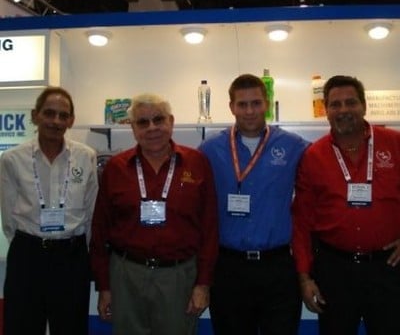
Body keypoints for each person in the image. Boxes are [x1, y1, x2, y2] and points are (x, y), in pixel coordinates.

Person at [89, 93, 218, 335]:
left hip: (179, 276)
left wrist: (203, 283)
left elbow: (210, 228)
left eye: (158, 119)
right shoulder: (116, 168)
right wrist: (104, 287)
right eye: (142, 122)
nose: (152, 128)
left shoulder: (197, 162)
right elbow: (100, 230)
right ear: (133, 128)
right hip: (126, 275)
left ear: (171, 121)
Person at [198, 73, 309, 335]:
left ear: (267, 104)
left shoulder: (294, 146)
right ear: (231, 107)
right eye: (242, 104)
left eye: (256, 103)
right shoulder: (209, 149)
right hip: (229, 268)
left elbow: (328, 182)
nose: (249, 111)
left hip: (278, 267)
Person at [292, 75, 400, 335]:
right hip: (334, 270)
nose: (343, 110)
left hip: (388, 268)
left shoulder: (395, 143)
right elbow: (301, 221)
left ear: (364, 106)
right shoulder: (313, 156)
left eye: (350, 102)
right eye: (335, 104)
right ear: (326, 110)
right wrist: (304, 277)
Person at [0, 86, 99, 335]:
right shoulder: (12, 159)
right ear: (35, 116)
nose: (56, 121)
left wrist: (78, 250)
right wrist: (32, 243)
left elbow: (91, 211)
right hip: (27, 254)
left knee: (71, 328)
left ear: (71, 120)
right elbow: (8, 215)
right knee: (21, 326)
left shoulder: (86, 156)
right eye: (49, 113)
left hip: (71, 256)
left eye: (63, 115)